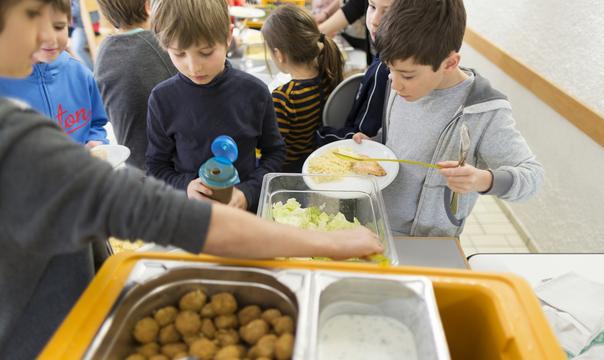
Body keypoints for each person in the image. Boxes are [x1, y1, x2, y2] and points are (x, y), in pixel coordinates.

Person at [0, 1, 382, 357]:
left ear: (225, 40)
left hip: (71, 314)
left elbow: (266, 158)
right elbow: (160, 191)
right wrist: (327, 241)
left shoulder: (250, 93)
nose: (48, 38)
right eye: (32, 16)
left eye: (57, 23)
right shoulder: (159, 100)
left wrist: (251, 196)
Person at [354, 0, 544, 237]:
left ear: (451, 63)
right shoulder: (399, 80)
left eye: (407, 75)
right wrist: (373, 143)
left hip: (426, 241)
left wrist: (484, 180)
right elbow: (402, 139)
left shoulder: (484, 111)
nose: (394, 82)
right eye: (389, 68)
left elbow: (533, 176)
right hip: (375, 222)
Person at [146, 0, 285, 212]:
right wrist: (185, 187)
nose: (194, 67)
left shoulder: (254, 92)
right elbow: (156, 167)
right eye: (179, 53)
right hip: (192, 215)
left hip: (245, 214)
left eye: (206, 52)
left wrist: (248, 192)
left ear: (228, 37)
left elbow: (275, 153)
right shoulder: (162, 99)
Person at [0, 0, 108, 147]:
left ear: (69, 23)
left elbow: (97, 122)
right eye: (37, 28)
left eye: (58, 27)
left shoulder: (80, 73)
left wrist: (97, 140)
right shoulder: (5, 85)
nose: (51, 38)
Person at [94, 0, 177, 170]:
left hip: (134, 165)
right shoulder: (162, 45)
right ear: (148, 5)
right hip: (171, 169)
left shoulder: (103, 51)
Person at [262, 4, 344, 173]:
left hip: (287, 171)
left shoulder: (283, 98)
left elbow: (272, 148)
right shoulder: (327, 76)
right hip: (315, 161)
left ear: (279, 54)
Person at [316, 0, 392, 144]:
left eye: (387, 12)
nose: (375, 21)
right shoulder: (380, 60)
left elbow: (362, 135)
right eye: (372, 6)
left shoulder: (384, 71)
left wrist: (318, 135)